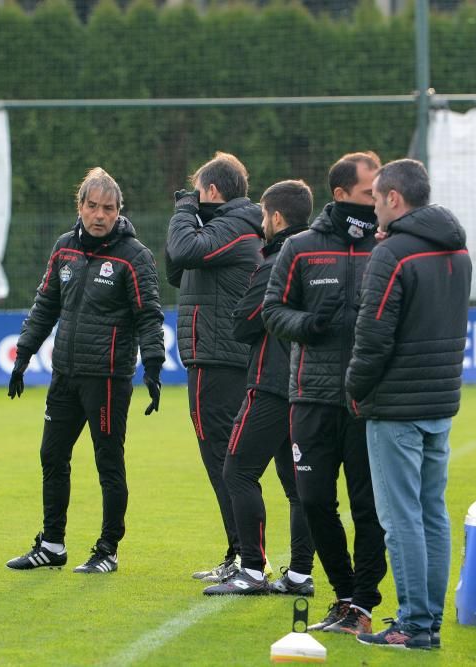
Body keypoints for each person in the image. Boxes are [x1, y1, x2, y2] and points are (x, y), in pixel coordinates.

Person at [5, 167, 165, 573]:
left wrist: (153, 366)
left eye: (108, 208)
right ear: (79, 206)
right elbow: (45, 305)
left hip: (107, 379)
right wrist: (24, 354)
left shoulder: (134, 257)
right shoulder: (64, 249)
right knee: (52, 454)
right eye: (92, 206)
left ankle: (107, 549)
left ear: (118, 211)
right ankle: (53, 545)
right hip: (65, 375)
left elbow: (149, 316)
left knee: (108, 463)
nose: (99, 215)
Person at [346, 159, 471, 650]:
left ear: (395, 199)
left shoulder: (392, 255)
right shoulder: (458, 250)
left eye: (376, 197)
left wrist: (355, 389)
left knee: (401, 520)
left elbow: (372, 336)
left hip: (396, 407)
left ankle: (413, 625)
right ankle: (430, 620)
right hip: (440, 402)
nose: (372, 205)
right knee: (431, 514)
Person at [262, 152, 387, 635]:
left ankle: (363, 603)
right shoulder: (300, 248)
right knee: (313, 501)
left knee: (368, 508)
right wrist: (307, 324)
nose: (376, 200)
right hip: (309, 399)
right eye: (367, 193)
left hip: (366, 403)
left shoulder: (387, 248)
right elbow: (273, 311)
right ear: (340, 195)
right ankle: (344, 593)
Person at [203, 180, 317, 596]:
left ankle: (252, 570)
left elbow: (243, 321)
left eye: (264, 215)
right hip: (304, 387)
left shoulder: (275, 262)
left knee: (238, 471)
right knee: (298, 484)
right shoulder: (314, 256)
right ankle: (300, 575)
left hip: (270, 383)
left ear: (277, 217)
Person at [165, 152, 264, 582]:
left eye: (198, 191)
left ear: (211, 191)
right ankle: (238, 551)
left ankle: (247, 556)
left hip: (218, 356)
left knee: (224, 457)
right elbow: (176, 263)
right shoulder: (224, 228)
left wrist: (185, 212)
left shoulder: (236, 224)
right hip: (213, 353)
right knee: (221, 456)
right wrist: (187, 217)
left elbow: (183, 247)